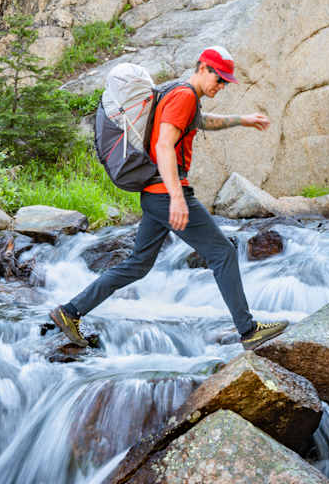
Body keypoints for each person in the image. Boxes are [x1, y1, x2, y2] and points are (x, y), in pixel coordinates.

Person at [49, 46, 289, 350]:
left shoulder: (178, 93)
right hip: (166, 193)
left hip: (154, 195)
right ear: (203, 68)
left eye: (226, 81)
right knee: (223, 253)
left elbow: (202, 121)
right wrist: (177, 197)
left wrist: (242, 120)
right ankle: (248, 330)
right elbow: (164, 146)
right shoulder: (184, 95)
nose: (222, 85)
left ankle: (69, 312)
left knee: (138, 264)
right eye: (220, 78)